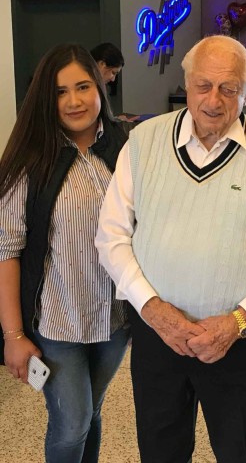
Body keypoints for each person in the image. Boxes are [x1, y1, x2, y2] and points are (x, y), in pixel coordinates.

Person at [95, 35, 246, 462]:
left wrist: (237, 321)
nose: (214, 100)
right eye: (203, 85)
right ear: (186, 85)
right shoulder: (142, 143)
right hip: (159, 334)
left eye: (229, 88)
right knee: (161, 448)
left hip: (244, 339)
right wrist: (152, 309)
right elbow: (112, 236)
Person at [0, 43, 131, 463]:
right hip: (57, 320)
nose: (74, 101)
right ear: (45, 97)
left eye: (83, 86)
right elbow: (7, 251)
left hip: (116, 318)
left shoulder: (123, 150)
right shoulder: (30, 159)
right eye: (60, 91)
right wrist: (14, 336)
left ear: (100, 88)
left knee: (91, 411)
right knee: (71, 421)